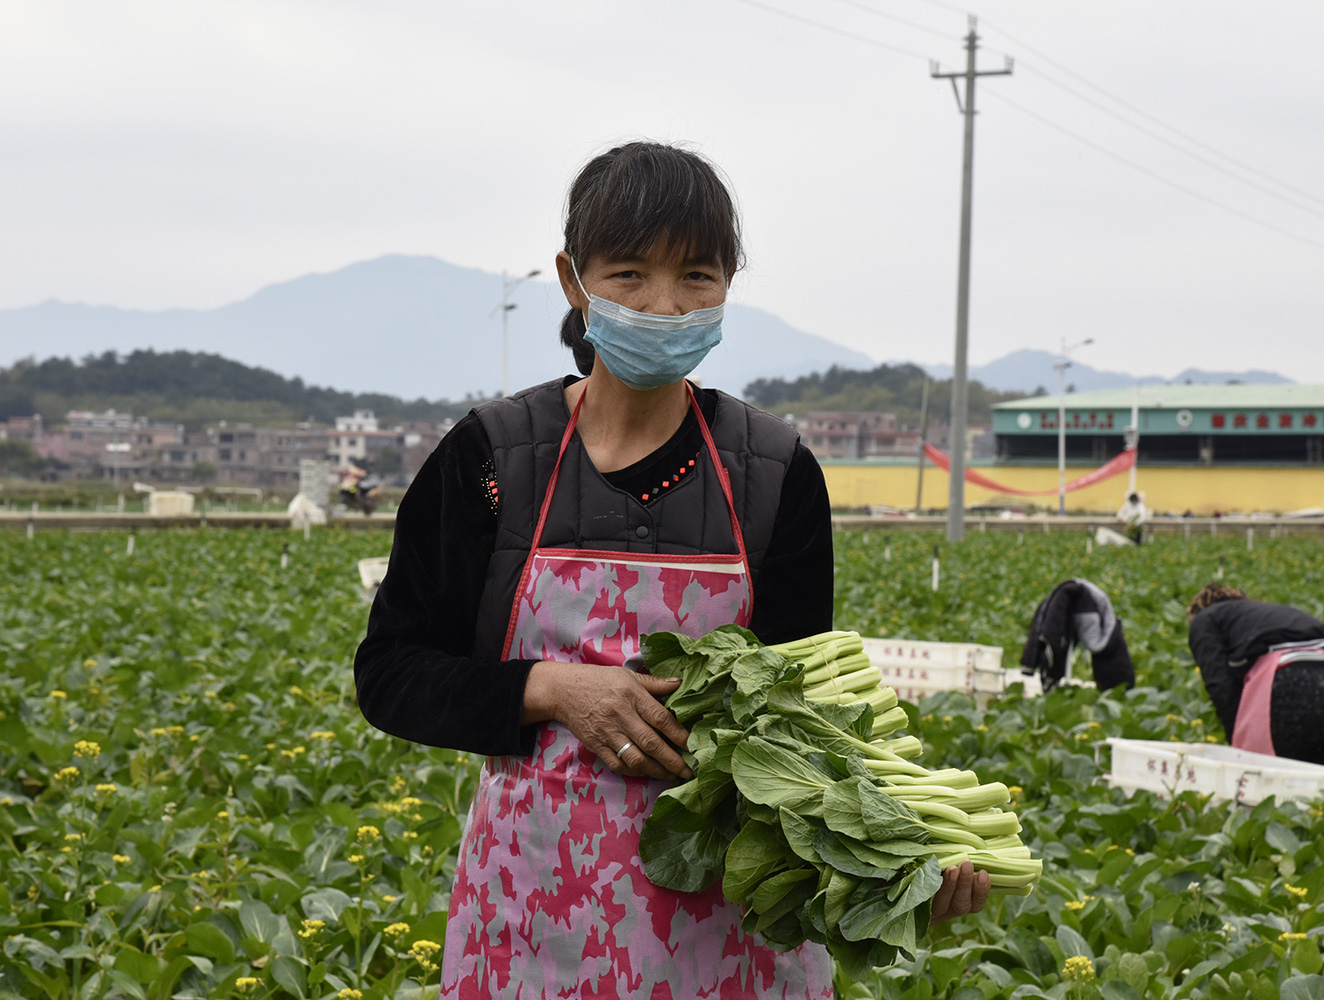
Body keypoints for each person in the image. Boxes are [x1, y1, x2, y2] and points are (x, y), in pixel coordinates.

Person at [352, 141, 988, 1000]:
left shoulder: (774, 470)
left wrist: (906, 853)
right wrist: (548, 689)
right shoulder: (492, 458)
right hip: (534, 921)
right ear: (574, 282)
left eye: (697, 275)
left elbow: (806, 722)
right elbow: (391, 674)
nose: (665, 304)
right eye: (629, 275)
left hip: (728, 931)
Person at [1186, 583, 1324, 767]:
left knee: (1269, 786)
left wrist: (1238, 750)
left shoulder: (1205, 619)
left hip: (1295, 682)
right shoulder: (1268, 614)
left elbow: (1221, 686)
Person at [1019, 578, 1135, 691]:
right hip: (1089, 612)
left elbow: (1091, 643)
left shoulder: (1076, 599)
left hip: (1087, 612)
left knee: (1087, 643)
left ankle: (1052, 680)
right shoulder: (1075, 596)